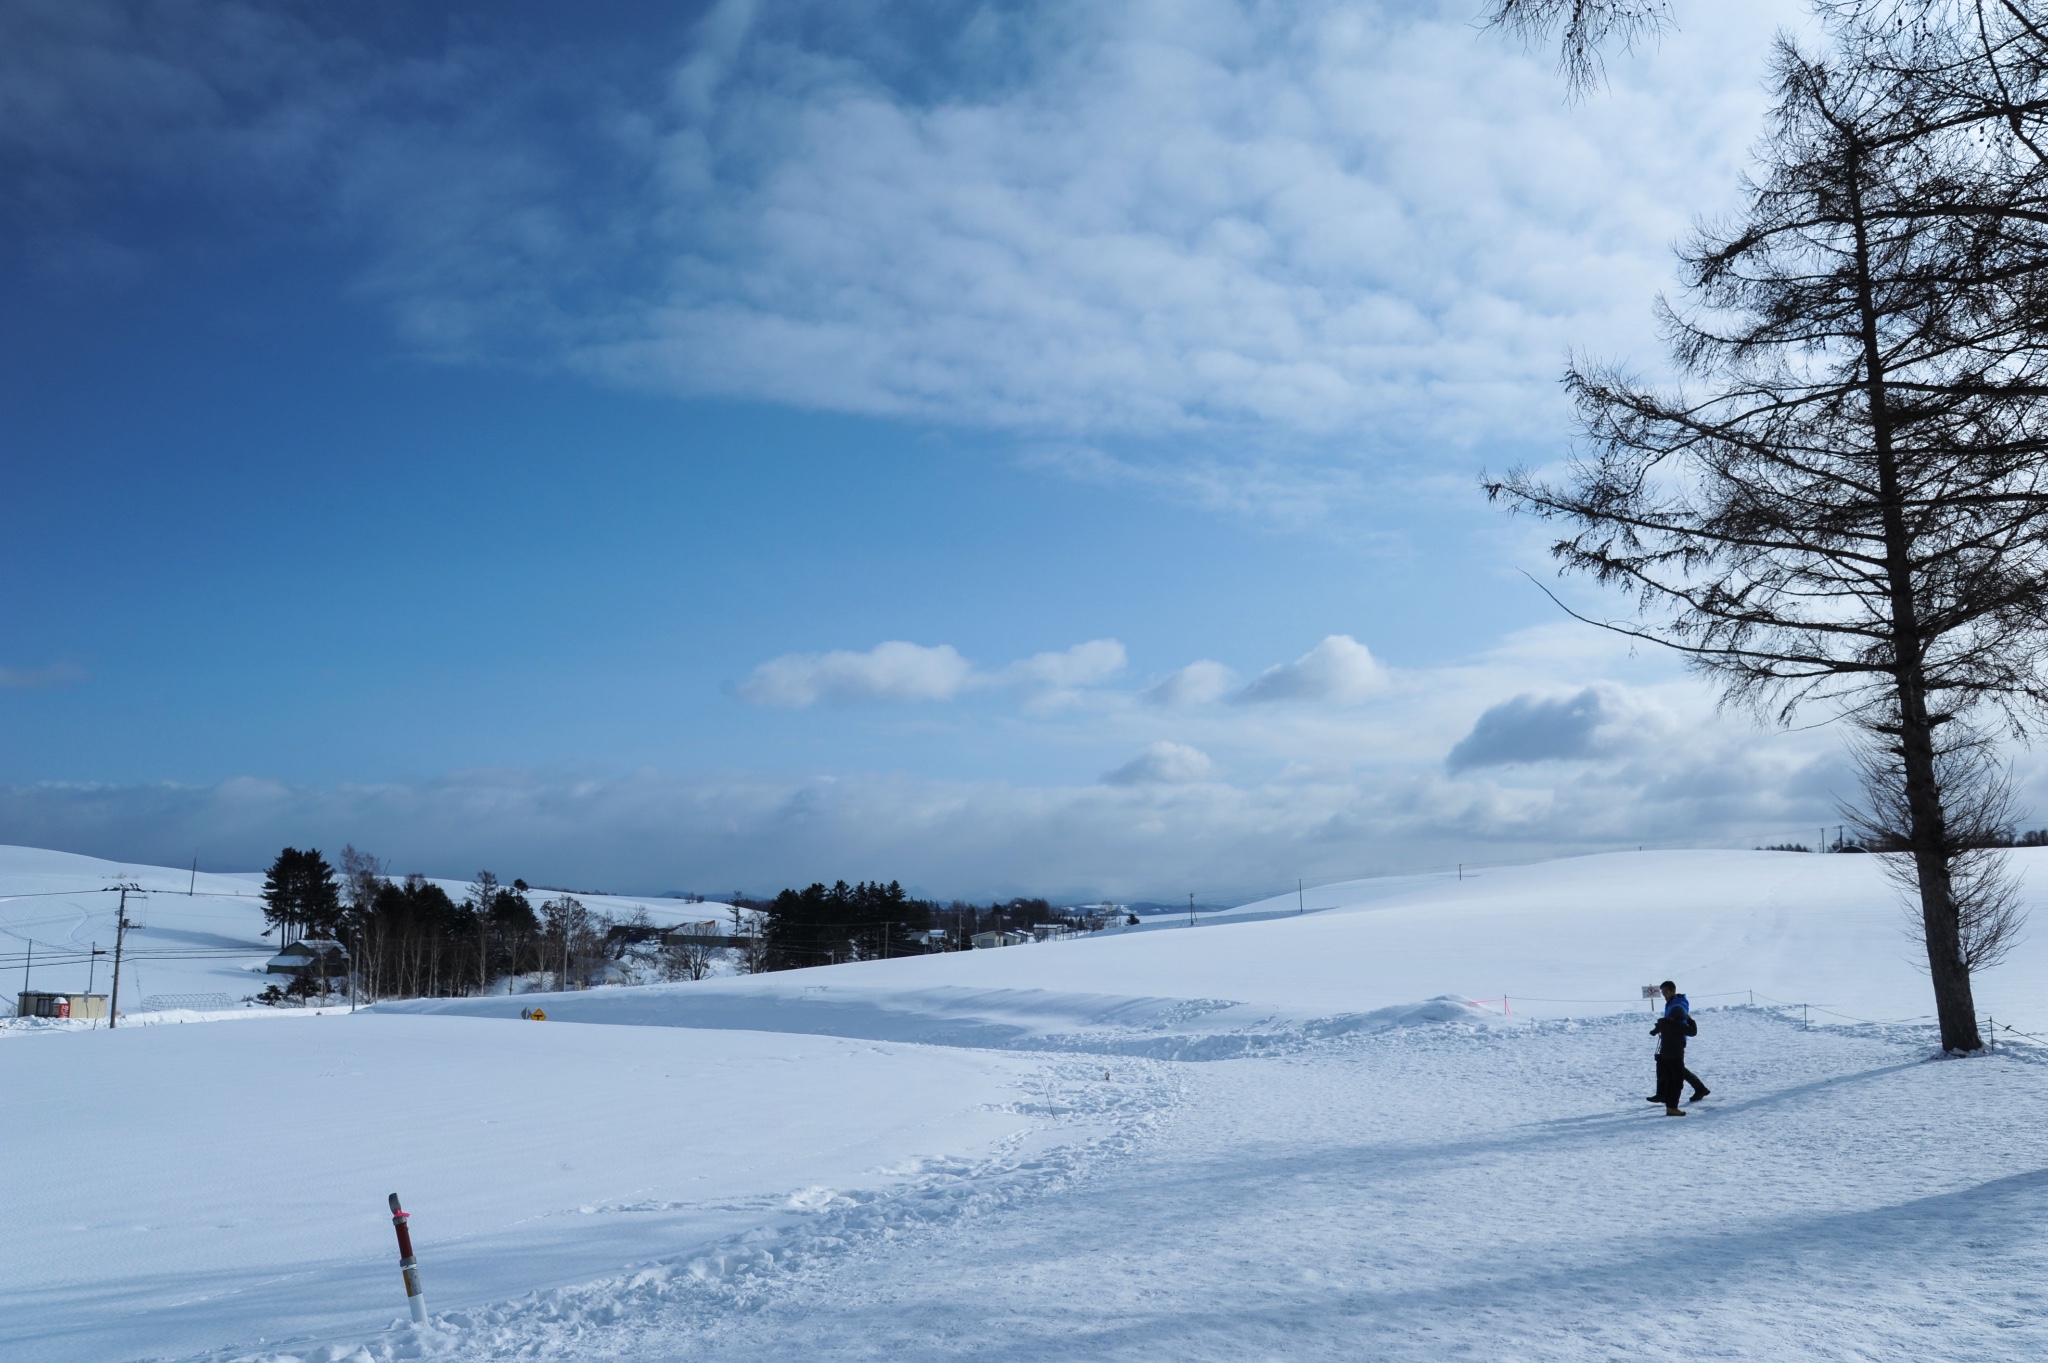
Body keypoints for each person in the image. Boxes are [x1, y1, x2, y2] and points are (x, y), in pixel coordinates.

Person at [1646, 980, 1708, 1115]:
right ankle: (1664, 1094)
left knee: (1676, 1071)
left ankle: (1698, 1089)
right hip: (1670, 1038)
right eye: (1662, 992)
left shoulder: (1679, 1002)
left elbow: (1681, 1016)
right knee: (1672, 1068)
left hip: (1677, 1039)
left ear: (1672, 991)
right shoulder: (1670, 1002)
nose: (1663, 995)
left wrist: (1668, 1024)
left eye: (1665, 992)